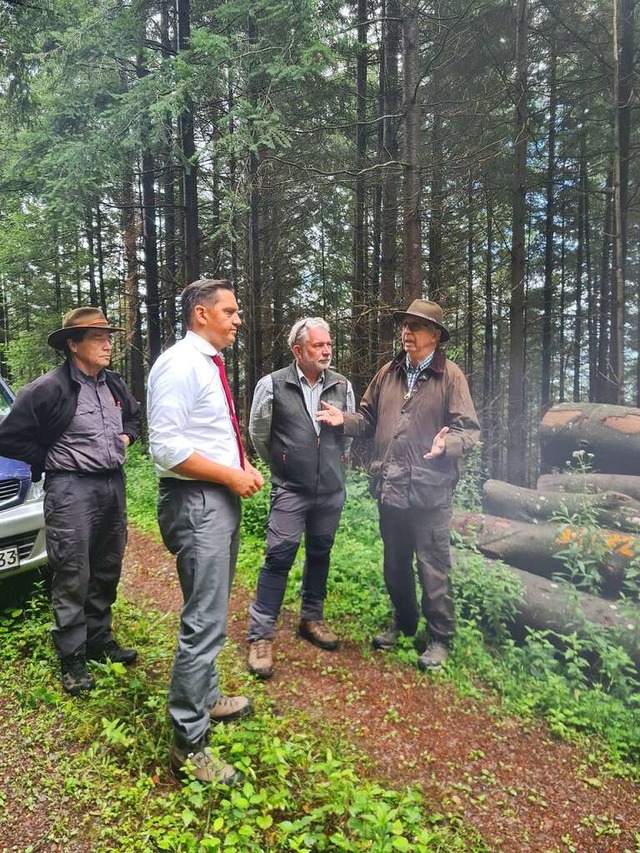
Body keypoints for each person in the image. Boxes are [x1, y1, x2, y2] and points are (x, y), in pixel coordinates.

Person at [317, 299, 480, 671]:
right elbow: (369, 418)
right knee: (395, 564)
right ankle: (404, 623)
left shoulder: (450, 376)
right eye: (404, 325)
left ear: (434, 336)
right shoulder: (389, 372)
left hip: (430, 489)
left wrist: (447, 444)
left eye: (416, 327)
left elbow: (468, 431)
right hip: (390, 485)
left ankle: (440, 637)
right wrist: (343, 419)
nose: (406, 332)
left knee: (432, 566)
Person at [147, 278, 264, 786]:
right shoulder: (179, 364)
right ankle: (188, 744)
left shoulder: (207, 364)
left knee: (210, 609)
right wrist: (230, 474)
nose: (238, 319)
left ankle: (209, 699)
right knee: (205, 622)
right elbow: (167, 449)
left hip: (213, 499)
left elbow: (204, 435)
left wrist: (241, 465)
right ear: (201, 314)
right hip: (196, 503)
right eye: (230, 311)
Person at [0, 307, 141, 695]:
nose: (108, 344)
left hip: (112, 486)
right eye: (97, 337)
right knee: (72, 572)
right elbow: (9, 437)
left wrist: (127, 438)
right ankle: (72, 657)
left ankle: (100, 640)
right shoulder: (48, 389)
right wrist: (49, 459)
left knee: (107, 565)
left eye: (107, 336)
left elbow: (133, 417)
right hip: (70, 491)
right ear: (73, 344)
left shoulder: (112, 384)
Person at [246, 317, 355, 679]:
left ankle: (312, 618)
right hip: (290, 489)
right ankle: (261, 635)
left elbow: (347, 433)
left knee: (320, 553)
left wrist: (332, 464)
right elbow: (258, 432)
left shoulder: (341, 385)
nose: (326, 351)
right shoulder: (273, 384)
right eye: (317, 346)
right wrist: (284, 464)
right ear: (298, 351)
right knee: (279, 556)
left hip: (330, 490)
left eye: (328, 345)